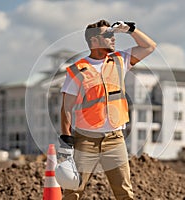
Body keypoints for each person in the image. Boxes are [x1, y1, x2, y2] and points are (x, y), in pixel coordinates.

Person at [59, 19, 156, 199]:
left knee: (125, 192)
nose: (113, 38)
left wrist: (130, 30)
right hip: (85, 139)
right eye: (108, 35)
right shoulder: (77, 69)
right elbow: (66, 108)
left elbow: (149, 46)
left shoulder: (120, 60)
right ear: (94, 41)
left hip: (115, 138)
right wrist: (65, 139)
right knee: (73, 191)